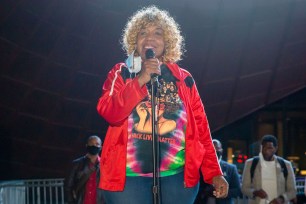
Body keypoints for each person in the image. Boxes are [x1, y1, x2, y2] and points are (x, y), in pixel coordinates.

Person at [96, 5, 228, 204]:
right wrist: (140, 79)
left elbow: (202, 130)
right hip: (128, 179)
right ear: (135, 40)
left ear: (167, 42)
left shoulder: (184, 79)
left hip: (176, 179)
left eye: (157, 32)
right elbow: (110, 112)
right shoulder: (121, 72)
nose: (149, 37)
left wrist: (214, 172)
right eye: (143, 32)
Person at [241, 135, 297, 204]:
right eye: (263, 147)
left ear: (275, 149)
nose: (265, 150)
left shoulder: (285, 165)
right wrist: (255, 192)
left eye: (269, 148)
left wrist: (281, 199)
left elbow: (292, 190)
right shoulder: (251, 163)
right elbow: (244, 188)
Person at [195, 139, 241, 204]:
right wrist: (205, 191)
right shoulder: (200, 167)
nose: (215, 150)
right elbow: (194, 187)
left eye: (217, 148)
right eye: (212, 148)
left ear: (221, 150)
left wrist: (220, 192)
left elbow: (237, 191)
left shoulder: (231, 168)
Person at [64, 135, 105, 204]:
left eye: (97, 144)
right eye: (91, 143)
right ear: (86, 146)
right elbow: (68, 186)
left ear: (101, 147)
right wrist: (71, 201)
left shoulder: (105, 165)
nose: (94, 146)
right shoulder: (76, 164)